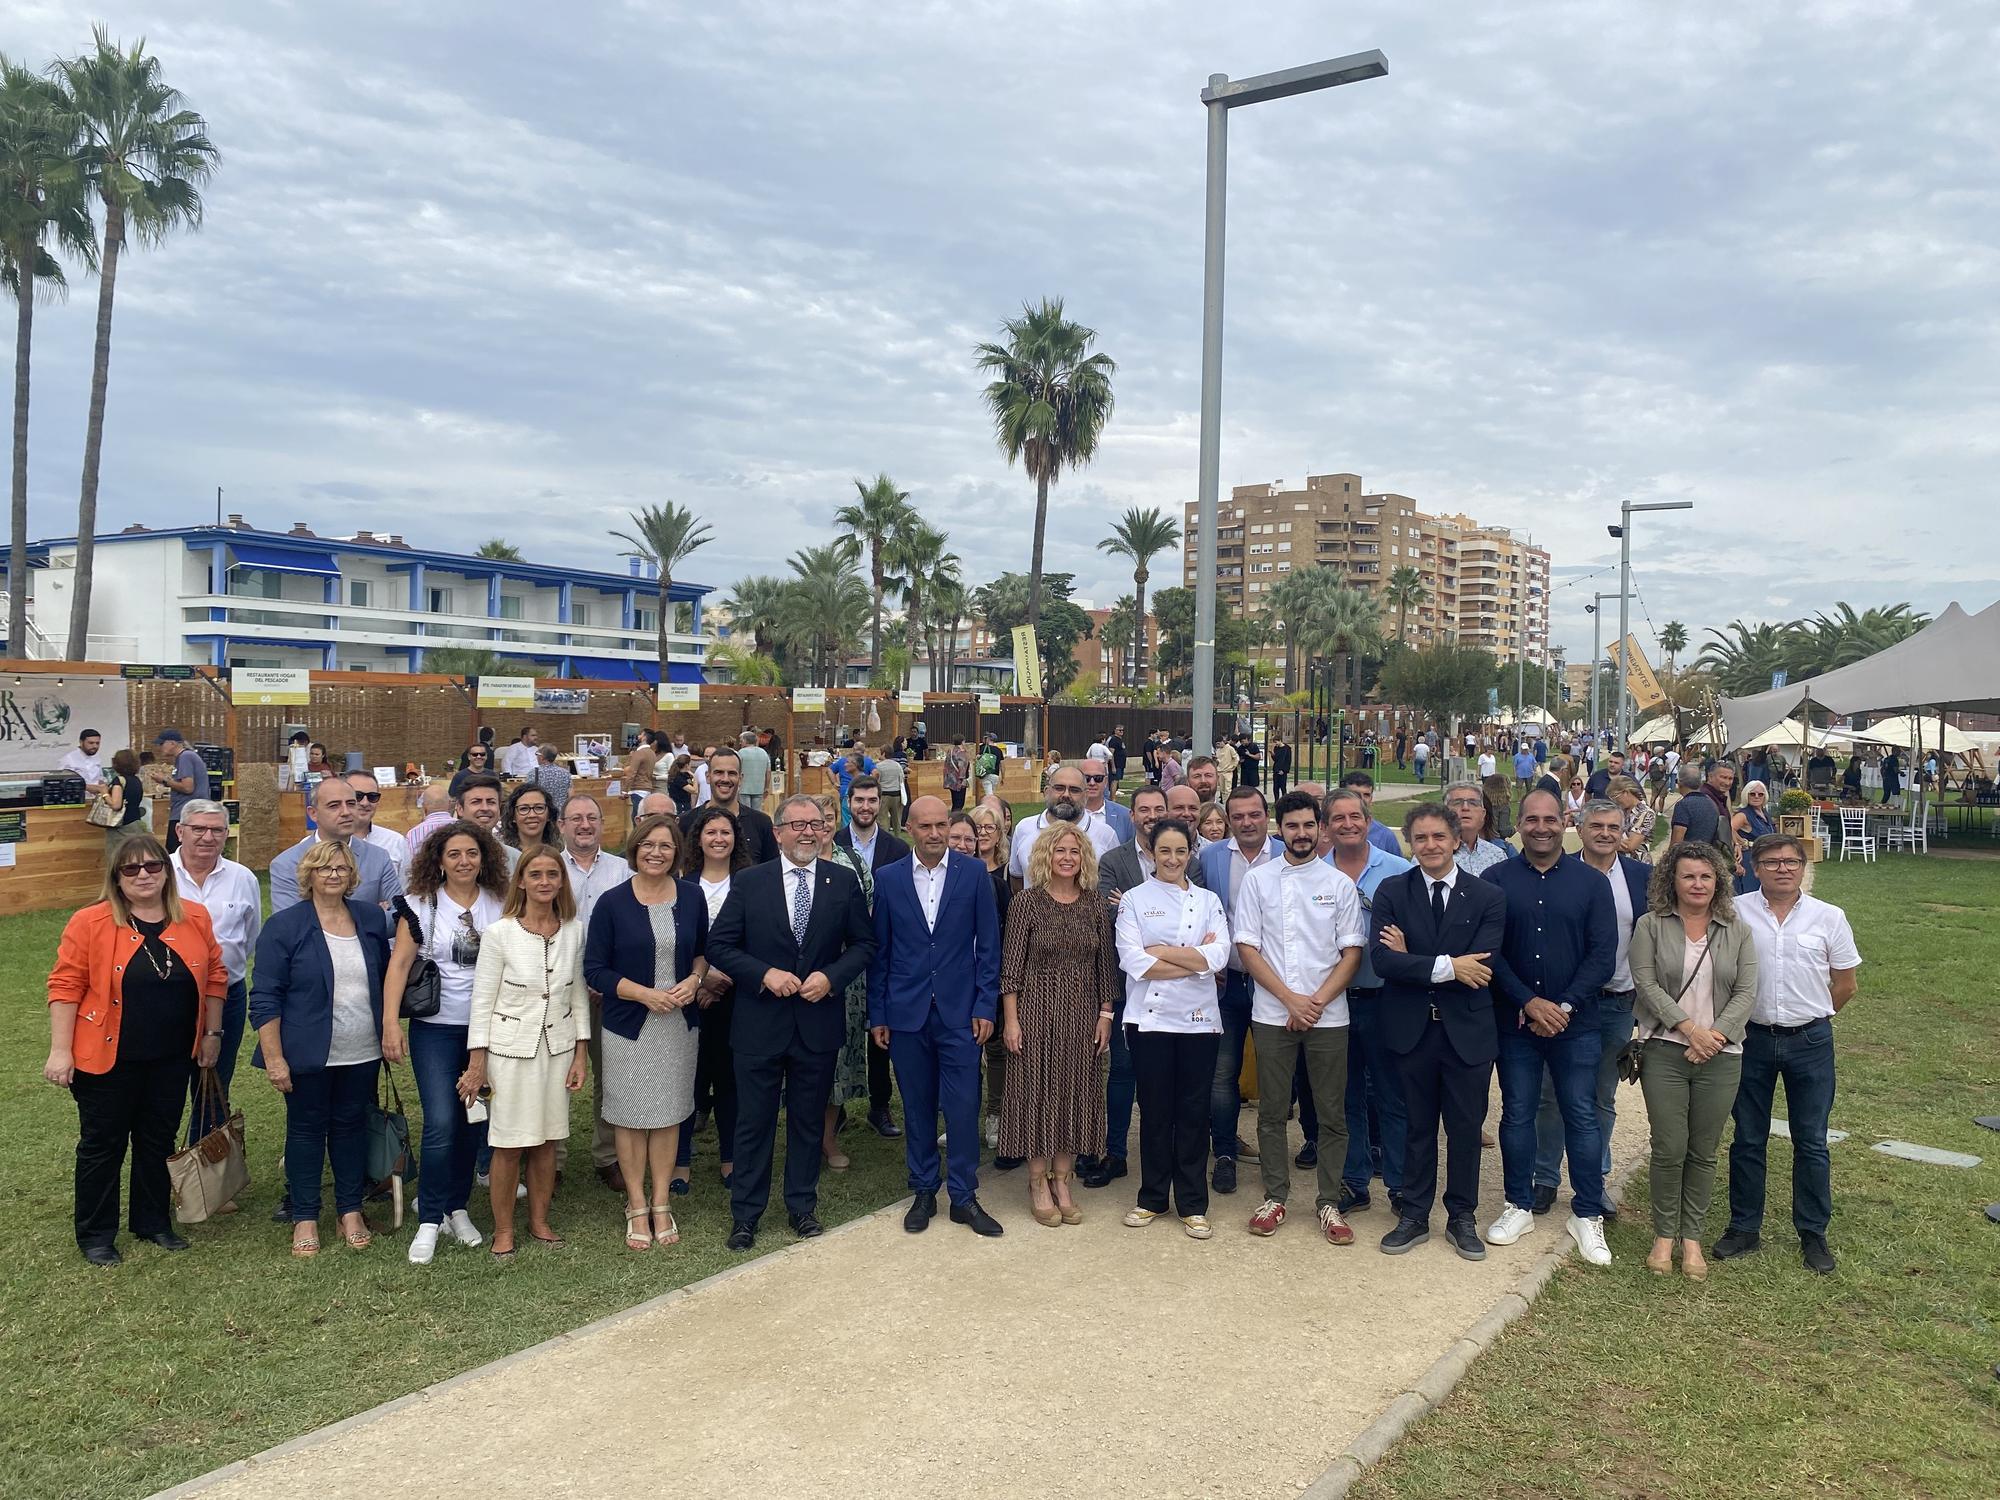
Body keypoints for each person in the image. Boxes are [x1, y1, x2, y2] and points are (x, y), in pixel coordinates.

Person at [46, 833, 228, 1266]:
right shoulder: (90, 922)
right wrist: (60, 1051)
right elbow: (65, 985)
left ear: (166, 872)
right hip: (107, 1058)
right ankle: (96, 1233)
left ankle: (152, 1221)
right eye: (132, 868)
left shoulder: (195, 918)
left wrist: (212, 1034)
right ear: (117, 877)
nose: (144, 875)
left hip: (170, 1056)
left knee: (157, 1140)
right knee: (102, 1144)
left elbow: (216, 977)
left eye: (153, 866)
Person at [708, 793, 877, 1251]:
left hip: (817, 1023)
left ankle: (802, 1207)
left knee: (807, 1122)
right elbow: (720, 946)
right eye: (796, 824)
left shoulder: (842, 882)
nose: (807, 832)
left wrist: (831, 976)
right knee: (754, 1123)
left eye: (815, 824)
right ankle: (746, 1214)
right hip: (759, 1025)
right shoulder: (750, 882)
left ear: (825, 830)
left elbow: (865, 944)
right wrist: (763, 973)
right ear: (778, 832)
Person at [1479, 789, 1618, 1266]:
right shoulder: (1494, 880)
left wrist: (1561, 1005)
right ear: (1518, 823)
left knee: (1581, 1114)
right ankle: (1518, 1204)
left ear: (1566, 822)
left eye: (1551, 819)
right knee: (1516, 1113)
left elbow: (1602, 955)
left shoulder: (1592, 883)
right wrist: (1529, 1002)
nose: (1541, 827)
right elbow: (1489, 953)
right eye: (1532, 819)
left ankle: (1586, 1212)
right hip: (1515, 1022)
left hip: (1576, 1023)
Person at [1717, 833, 1861, 1275]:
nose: (1783, 868)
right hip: (1752, 1039)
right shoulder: (1735, 913)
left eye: (1791, 861)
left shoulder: (1828, 917)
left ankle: (1813, 1233)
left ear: (1803, 867)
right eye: (1773, 861)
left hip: (1810, 1042)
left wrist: (1812, 1017)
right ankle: (1744, 1228)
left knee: (1812, 1140)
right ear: (1755, 867)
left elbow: (1845, 983)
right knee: (1748, 1138)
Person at [1368, 803, 1507, 1259]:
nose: (1430, 845)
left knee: (1466, 1128)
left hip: (1467, 1032)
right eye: (1421, 838)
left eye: (1439, 837)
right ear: (1411, 842)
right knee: (1416, 1126)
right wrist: (1448, 963)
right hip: (1411, 1030)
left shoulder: (1487, 895)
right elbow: (1385, 962)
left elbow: (1481, 967)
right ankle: (1414, 1214)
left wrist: (1418, 956)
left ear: (1454, 840)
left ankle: (1461, 1215)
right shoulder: (1392, 891)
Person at [870, 796, 1007, 1237]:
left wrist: (985, 1005)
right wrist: (879, 1014)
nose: (934, 833)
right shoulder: (888, 879)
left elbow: (989, 948)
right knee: (917, 1104)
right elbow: (881, 954)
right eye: (925, 826)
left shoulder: (972, 875)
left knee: (964, 1105)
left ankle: (964, 1196)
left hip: (960, 1013)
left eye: (941, 825)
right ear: (909, 828)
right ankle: (925, 1188)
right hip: (906, 1013)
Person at [1235, 791, 1366, 1243]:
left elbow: (1351, 953)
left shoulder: (1339, 885)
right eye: (1293, 826)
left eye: (1310, 825)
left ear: (1321, 829)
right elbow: (1247, 947)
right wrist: (1290, 1000)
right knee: (1272, 1110)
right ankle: (1275, 1195)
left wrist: (1314, 1003)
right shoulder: (1259, 881)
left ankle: (1329, 1201)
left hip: (1329, 1016)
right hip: (1272, 1012)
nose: (1302, 834)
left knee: (1332, 1112)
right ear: (1280, 829)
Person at [251, 840, 391, 1257]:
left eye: (342, 868)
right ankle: (305, 1215)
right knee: (306, 1131)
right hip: (306, 1052)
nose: (333, 874)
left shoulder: (367, 917)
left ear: (352, 876)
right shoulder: (286, 925)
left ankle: (350, 1210)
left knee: (350, 1128)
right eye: (324, 868)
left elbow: (390, 967)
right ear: (308, 874)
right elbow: (265, 997)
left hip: (361, 1049)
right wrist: (275, 1059)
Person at [1630, 840, 1759, 1279]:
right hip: (1666, 1049)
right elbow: (1645, 983)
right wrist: (1690, 1029)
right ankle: (1663, 1236)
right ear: (1672, 880)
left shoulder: (1736, 929)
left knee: (1703, 1152)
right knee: (1669, 1148)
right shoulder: (1651, 925)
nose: (1698, 883)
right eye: (1688, 875)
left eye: (1706, 876)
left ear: (1718, 880)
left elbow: (1746, 990)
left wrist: (1716, 1036)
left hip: (1723, 1055)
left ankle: (1692, 1239)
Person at [383, 819, 510, 1265]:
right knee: (440, 1121)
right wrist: (389, 1024)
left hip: (490, 1030)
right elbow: (399, 965)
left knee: (473, 1120)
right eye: (453, 854)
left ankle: (457, 1208)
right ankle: (429, 1218)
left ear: (484, 858)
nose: (463, 861)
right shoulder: (419, 904)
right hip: (437, 1027)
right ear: (438, 859)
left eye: (472, 853)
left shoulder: (501, 901)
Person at [582, 814, 711, 1251]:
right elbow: (594, 969)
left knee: (671, 1114)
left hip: (677, 1025)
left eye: (666, 846)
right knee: (630, 1116)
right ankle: (636, 1203)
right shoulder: (612, 902)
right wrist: (642, 995)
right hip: (629, 1027)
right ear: (634, 849)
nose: (656, 853)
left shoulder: (692, 897)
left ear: (677, 853)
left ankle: (661, 1202)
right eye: (648, 845)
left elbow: (701, 954)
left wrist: (694, 981)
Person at [463, 848, 591, 1256]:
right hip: (509, 1051)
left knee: (548, 1140)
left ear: (561, 881)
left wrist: (581, 1052)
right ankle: (503, 1229)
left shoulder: (574, 930)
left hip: (558, 1048)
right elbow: (482, 1001)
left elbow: (579, 996)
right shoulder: (500, 933)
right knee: (509, 1142)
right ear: (521, 880)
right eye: (535, 874)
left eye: (552, 874)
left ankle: (539, 1219)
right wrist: (477, 1062)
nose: (544, 881)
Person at [1529, 798, 1651, 1219]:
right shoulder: (1559, 874)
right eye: (1595, 825)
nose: (1604, 833)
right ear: (1578, 829)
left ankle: (1594, 1183)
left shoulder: (1641, 878)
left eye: (1613, 827)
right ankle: (1544, 1178)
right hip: (1560, 1006)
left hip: (1615, 1003)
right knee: (1549, 1096)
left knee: (1601, 1097)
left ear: (1624, 832)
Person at [991, 820, 1116, 1227]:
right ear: (1046, 856)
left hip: (1082, 1015)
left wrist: (1105, 1014)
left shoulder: (1095, 903)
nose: (1067, 858)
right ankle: (1036, 1181)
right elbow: (1010, 968)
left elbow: (1105, 967)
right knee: (1035, 1093)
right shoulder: (1026, 902)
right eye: (1060, 851)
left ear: (1084, 858)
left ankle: (1063, 1180)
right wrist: (1011, 1021)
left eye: (1075, 851)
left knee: (1075, 1094)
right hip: (1034, 1011)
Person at [1115, 817, 1231, 1239]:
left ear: (1191, 853)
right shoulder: (1133, 899)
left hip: (1199, 1023)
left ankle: (1193, 1203)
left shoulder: (1208, 900)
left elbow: (1218, 957)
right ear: (1151, 852)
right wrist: (1192, 960)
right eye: (1164, 851)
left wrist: (1162, 950)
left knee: (1194, 1112)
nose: (1172, 859)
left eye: (1180, 851)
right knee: (1155, 1110)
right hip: (1150, 1022)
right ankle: (1151, 1197)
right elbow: (1134, 962)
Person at [1323, 788, 1413, 1216]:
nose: (1347, 824)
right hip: (1334, 1002)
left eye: (1354, 816)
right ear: (1327, 827)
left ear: (1368, 818)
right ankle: (1355, 1181)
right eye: (1337, 818)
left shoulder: (1398, 870)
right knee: (1346, 1097)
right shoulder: (1315, 873)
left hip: (1385, 999)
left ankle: (1398, 1184)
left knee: (1392, 1096)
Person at [1197, 784, 1282, 1197]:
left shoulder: (1287, 855)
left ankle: (1282, 1154)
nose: (1247, 822)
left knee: (1278, 1072)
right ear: (1228, 820)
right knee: (1223, 1073)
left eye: (1254, 814)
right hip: (1226, 983)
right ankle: (1226, 1152)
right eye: (1239, 816)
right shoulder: (1211, 857)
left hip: (1275, 984)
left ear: (1267, 816)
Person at [171, 800, 263, 1149]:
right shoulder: (158, 873)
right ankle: (163, 1174)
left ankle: (204, 1180)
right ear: (180, 831)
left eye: (217, 830)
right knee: (166, 1085)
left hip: (227, 995)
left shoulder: (243, 879)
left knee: (214, 1084)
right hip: (168, 998)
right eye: (199, 829)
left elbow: (250, 937)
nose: (208, 837)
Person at [559, 795, 633, 1190]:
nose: (584, 825)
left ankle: (608, 1157)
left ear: (603, 824)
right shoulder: (549, 869)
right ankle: (550, 1161)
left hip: (608, 990)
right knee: (556, 1075)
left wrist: (607, 979)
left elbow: (631, 930)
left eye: (592, 818)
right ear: (561, 825)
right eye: (576, 819)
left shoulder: (623, 870)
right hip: (557, 991)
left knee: (611, 1076)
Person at [677, 805, 747, 1193]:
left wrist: (728, 977)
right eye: (711, 832)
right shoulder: (683, 886)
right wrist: (702, 979)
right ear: (698, 839)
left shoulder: (749, 883)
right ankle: (680, 1160)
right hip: (692, 997)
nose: (718, 839)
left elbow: (758, 939)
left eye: (726, 832)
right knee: (689, 1078)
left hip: (738, 1000)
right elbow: (675, 944)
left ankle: (731, 1158)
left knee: (730, 1080)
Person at [818, 792, 880, 1170]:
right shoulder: (786, 863)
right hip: (798, 975)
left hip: (846, 979)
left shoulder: (852, 862)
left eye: (826, 818)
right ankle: (803, 1134)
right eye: (810, 820)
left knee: (840, 1059)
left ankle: (828, 1137)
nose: (819, 827)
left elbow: (868, 916)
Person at [271, 776, 406, 912]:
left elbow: (401, 914)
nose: (346, 812)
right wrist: (373, 916)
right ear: (313, 814)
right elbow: (289, 926)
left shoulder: (378, 857)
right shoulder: (287, 864)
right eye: (334, 806)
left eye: (351, 804)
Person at [1009, 764, 1121, 882]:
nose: (1066, 795)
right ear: (1046, 791)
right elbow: (1017, 879)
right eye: (1059, 788)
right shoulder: (1024, 828)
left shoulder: (1106, 835)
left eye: (1074, 790)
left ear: (1086, 795)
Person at [679, 746, 779, 866]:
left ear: (740, 779)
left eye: (731, 773)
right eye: (719, 772)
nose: (725, 779)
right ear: (708, 777)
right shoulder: (686, 822)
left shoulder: (761, 823)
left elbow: (771, 872)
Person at [833, 773, 910, 872]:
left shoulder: (899, 849)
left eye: (872, 800)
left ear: (880, 803)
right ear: (848, 802)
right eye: (859, 800)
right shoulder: (833, 844)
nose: (865, 807)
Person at [346, 769, 412, 882]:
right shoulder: (319, 842)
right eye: (358, 796)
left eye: (372, 796)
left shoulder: (396, 842)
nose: (365, 803)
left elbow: (405, 888)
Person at [156, 729, 211, 854]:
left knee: (176, 854)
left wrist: (164, 780)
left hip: (186, 814)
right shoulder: (186, 757)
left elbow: (187, 787)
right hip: (187, 813)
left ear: (172, 743)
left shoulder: (185, 757)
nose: (160, 747)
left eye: (161, 744)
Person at [1444, 780, 1510, 875]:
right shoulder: (1433, 854)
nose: (1465, 808)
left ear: (1483, 814)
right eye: (1457, 803)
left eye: (1473, 803)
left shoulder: (1497, 856)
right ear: (1444, 812)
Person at [1339, 771, 1404, 855]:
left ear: (1371, 799)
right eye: (1355, 794)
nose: (1362, 799)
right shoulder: (1326, 831)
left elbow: (1399, 867)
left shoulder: (1385, 836)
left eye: (1366, 795)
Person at [1731, 781, 1777, 894]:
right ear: (1746, 795)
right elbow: (1728, 828)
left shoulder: (1765, 814)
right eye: (1752, 794)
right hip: (1749, 859)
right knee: (1750, 893)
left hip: (1764, 858)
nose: (1756, 796)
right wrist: (1740, 842)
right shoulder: (1743, 814)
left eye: (1760, 794)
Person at [1081, 756, 1135, 842]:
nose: (1092, 783)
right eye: (1086, 778)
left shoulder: (1125, 816)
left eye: (1098, 778)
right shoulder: (1066, 814)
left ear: (1105, 781)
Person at [103, 747, 149, 846]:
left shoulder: (119, 781)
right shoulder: (137, 780)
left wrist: (104, 793)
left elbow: (116, 805)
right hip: (136, 823)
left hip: (121, 827)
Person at [502, 781, 560, 854]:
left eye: (539, 808)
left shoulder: (561, 852)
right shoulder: (502, 854)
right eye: (524, 809)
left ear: (549, 815)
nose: (532, 815)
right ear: (513, 816)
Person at [403, 782, 454, 860]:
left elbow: (410, 865)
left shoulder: (413, 834)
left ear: (424, 807)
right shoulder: (465, 827)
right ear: (449, 804)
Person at [1610, 775, 1656, 860]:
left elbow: (1630, 846)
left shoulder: (1646, 813)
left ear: (1625, 792)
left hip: (1637, 863)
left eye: (1615, 798)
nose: (1615, 802)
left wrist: (1607, 843)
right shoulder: (1620, 811)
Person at [624, 732, 660, 824]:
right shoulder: (652, 753)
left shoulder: (639, 753)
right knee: (643, 816)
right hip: (647, 788)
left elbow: (632, 772)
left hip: (637, 789)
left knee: (636, 818)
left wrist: (624, 790)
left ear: (644, 738)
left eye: (641, 734)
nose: (638, 736)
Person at [735, 729, 772, 812]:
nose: (740, 743)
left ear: (745, 741)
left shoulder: (740, 753)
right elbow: (768, 772)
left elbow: (736, 770)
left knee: (745, 812)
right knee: (757, 812)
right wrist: (766, 787)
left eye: (741, 741)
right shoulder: (764, 753)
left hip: (743, 789)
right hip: (759, 788)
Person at [531, 743, 572, 813]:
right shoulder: (566, 774)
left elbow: (529, 795)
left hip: (542, 812)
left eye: (537, 754)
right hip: (560, 812)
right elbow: (570, 796)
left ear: (542, 757)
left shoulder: (533, 773)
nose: (536, 757)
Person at [874, 748, 907, 832]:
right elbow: (901, 778)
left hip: (884, 794)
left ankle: (885, 837)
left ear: (884, 754)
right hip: (897, 794)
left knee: (883, 819)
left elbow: (876, 780)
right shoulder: (897, 765)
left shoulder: (879, 766)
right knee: (897, 819)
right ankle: (897, 837)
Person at [942, 737, 971, 810]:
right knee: (959, 803)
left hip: (950, 780)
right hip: (959, 781)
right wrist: (963, 779)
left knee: (954, 802)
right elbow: (962, 766)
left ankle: (953, 817)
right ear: (962, 742)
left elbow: (946, 765)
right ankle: (956, 819)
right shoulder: (961, 752)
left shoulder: (950, 751)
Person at [1270, 734, 1292, 798]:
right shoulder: (1276, 748)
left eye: (1276, 742)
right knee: (1275, 787)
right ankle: (1276, 800)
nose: (1275, 744)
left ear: (1280, 741)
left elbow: (1288, 760)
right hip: (1276, 769)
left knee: (1283, 787)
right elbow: (1276, 759)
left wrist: (1284, 770)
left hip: (1283, 771)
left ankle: (1284, 800)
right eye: (1274, 743)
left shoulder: (1287, 748)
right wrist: (1273, 755)